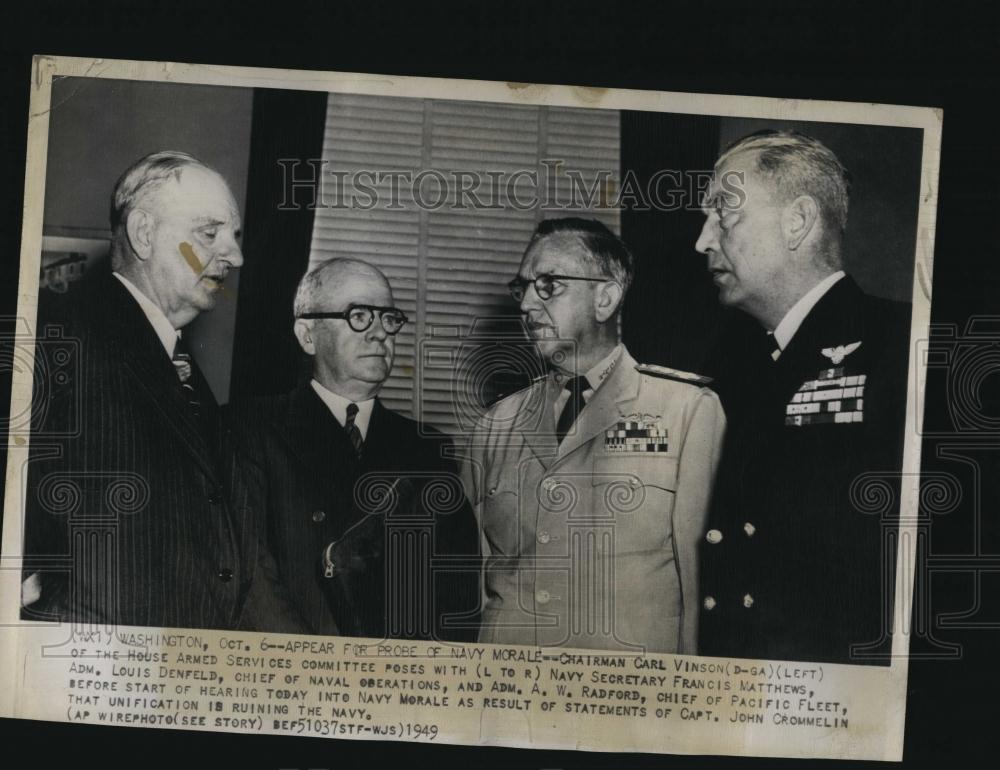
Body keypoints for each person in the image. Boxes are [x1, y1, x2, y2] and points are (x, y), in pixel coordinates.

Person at [21, 150, 284, 630]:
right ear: (144, 233)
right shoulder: (56, 335)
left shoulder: (183, 370)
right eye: (210, 233)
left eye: (236, 236)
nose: (236, 256)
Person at [695, 130, 912, 664]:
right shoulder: (733, 364)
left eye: (723, 213)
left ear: (797, 222)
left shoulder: (906, 345)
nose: (702, 241)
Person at [462, 217, 725, 653]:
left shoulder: (687, 411)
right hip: (509, 697)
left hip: (624, 699)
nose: (527, 304)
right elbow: (478, 577)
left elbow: (700, 583)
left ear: (605, 298)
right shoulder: (495, 425)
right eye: (522, 287)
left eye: (548, 285)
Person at [228, 259, 480, 641]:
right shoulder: (247, 430)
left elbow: (455, 596)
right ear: (307, 335)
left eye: (389, 319)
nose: (380, 333)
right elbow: (248, 575)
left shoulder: (427, 450)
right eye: (359, 316)